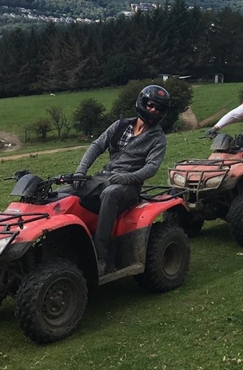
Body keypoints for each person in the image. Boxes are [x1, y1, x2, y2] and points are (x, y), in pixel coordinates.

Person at [72, 85, 170, 273]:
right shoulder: (120, 125)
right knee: (68, 192)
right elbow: (96, 146)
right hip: (104, 176)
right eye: (151, 105)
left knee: (110, 194)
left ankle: (102, 257)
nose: (153, 110)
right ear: (142, 103)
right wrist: (80, 171)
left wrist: (127, 177)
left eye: (158, 108)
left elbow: (151, 168)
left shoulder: (158, 138)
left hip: (130, 186)